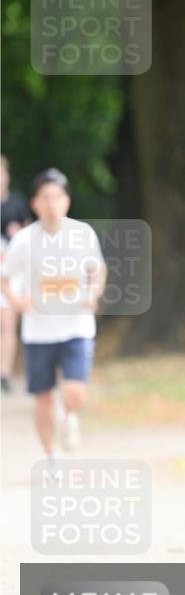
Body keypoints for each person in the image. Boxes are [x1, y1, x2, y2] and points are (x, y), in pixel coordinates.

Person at [0, 168, 107, 459]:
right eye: (45, 198)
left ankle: (69, 414)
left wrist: (93, 293)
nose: (51, 204)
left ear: (67, 201)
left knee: (74, 393)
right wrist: (18, 301)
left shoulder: (82, 234)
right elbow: (5, 277)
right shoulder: (23, 240)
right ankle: (51, 455)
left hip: (76, 327)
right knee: (43, 399)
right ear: (34, 204)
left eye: (57, 197)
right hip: (38, 331)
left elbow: (97, 270)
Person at [1, 155, 31, 393]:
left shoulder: (17, 202)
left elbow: (29, 232)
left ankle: (5, 374)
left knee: (7, 323)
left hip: (10, 272)